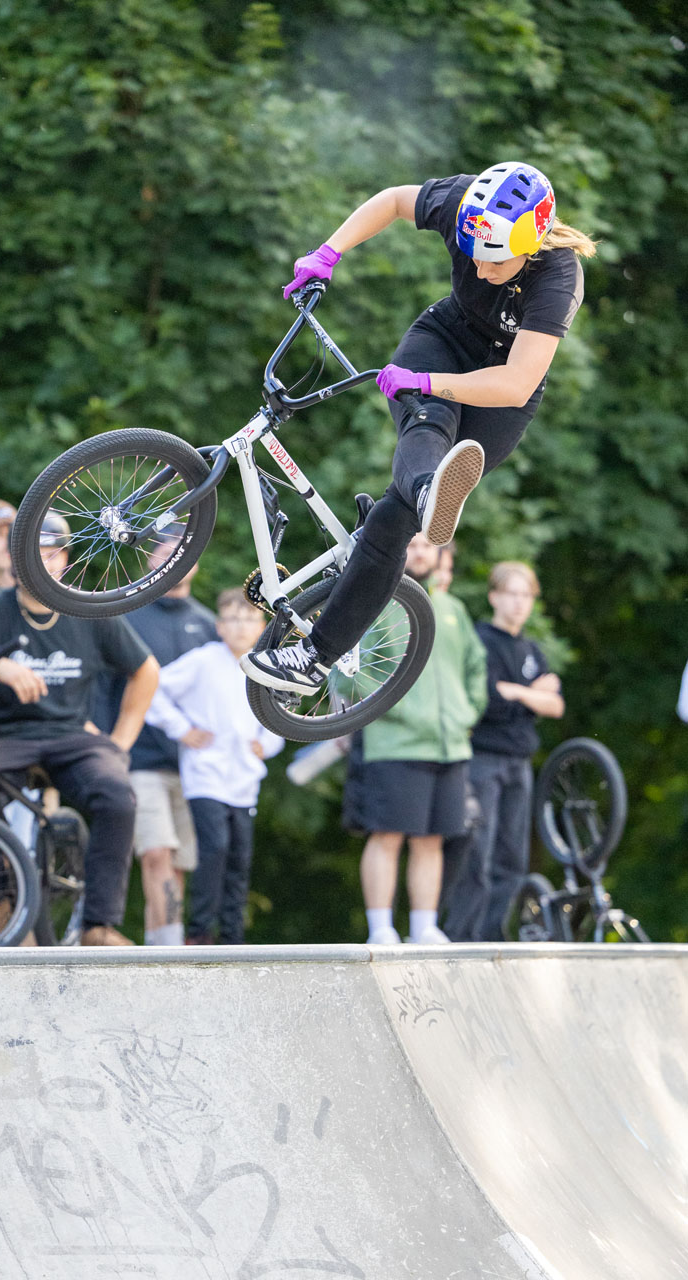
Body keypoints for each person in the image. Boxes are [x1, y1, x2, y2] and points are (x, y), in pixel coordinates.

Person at [242, 161, 595, 695]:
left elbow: (516, 384)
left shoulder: (559, 276)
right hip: (444, 335)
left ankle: (314, 660)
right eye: (473, 251)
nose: (478, 268)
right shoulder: (464, 205)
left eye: (494, 260)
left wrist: (426, 382)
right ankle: (430, 489)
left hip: (501, 389)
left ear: (531, 241)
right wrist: (327, 254)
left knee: (392, 519)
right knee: (426, 430)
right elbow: (391, 200)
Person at [0, 512, 160, 946]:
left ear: (63, 560)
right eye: (31, 554)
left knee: (117, 797)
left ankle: (97, 926)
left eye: (49, 554)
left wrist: (120, 743)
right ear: (15, 561)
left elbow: (146, 671)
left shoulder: (88, 610)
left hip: (72, 737)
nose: (40, 563)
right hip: (7, 738)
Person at [342, 533, 487, 945]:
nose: (420, 551)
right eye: (411, 544)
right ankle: (380, 929)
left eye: (427, 545)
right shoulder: (376, 603)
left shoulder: (454, 609)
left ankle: (424, 927)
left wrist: (465, 713)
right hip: (395, 744)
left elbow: (477, 670)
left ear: (439, 554)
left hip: (449, 744)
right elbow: (345, 668)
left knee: (432, 839)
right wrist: (394, 708)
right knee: (387, 835)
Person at [91, 531, 218, 946]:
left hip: (193, 766)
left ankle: (163, 944)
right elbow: (100, 686)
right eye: (166, 550)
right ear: (149, 559)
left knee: (179, 861)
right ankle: (167, 949)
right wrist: (106, 747)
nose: (177, 558)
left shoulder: (208, 624)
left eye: (184, 550)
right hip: (138, 760)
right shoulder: (125, 614)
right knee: (156, 852)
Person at [143, 590, 283, 945]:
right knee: (214, 848)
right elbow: (154, 688)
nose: (240, 627)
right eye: (232, 619)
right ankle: (200, 931)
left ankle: (232, 936)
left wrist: (265, 745)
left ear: (262, 626)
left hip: (244, 779)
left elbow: (280, 721)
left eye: (249, 619)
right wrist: (182, 730)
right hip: (205, 776)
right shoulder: (204, 661)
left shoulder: (266, 667)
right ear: (219, 626)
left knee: (239, 858)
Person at [445, 561, 564, 941]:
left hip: (519, 763)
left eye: (526, 595)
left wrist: (516, 693)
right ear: (494, 596)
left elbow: (557, 706)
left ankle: (493, 934)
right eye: (511, 593)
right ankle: (464, 935)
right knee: (476, 851)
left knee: (512, 856)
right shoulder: (481, 639)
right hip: (482, 759)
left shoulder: (531, 649)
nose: (518, 603)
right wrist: (532, 695)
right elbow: (489, 700)